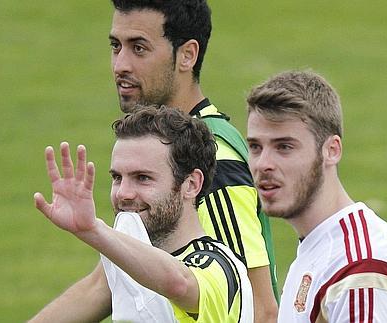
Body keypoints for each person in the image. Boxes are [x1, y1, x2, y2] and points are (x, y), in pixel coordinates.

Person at [30, 1, 278, 321]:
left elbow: (258, 307)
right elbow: (101, 287)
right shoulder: (151, 149)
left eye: (139, 48)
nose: (120, 64)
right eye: (116, 46)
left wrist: (92, 229)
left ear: (187, 55)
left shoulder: (214, 162)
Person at [33, 107, 253, 322]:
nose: (124, 194)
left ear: (191, 185)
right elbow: (94, 289)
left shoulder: (219, 266)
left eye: (143, 178)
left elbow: (178, 284)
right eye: (118, 177)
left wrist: (93, 230)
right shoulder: (131, 258)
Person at [245, 70, 387, 322]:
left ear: (331, 150)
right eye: (255, 147)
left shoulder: (359, 269)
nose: (263, 164)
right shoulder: (323, 247)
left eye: (284, 147)